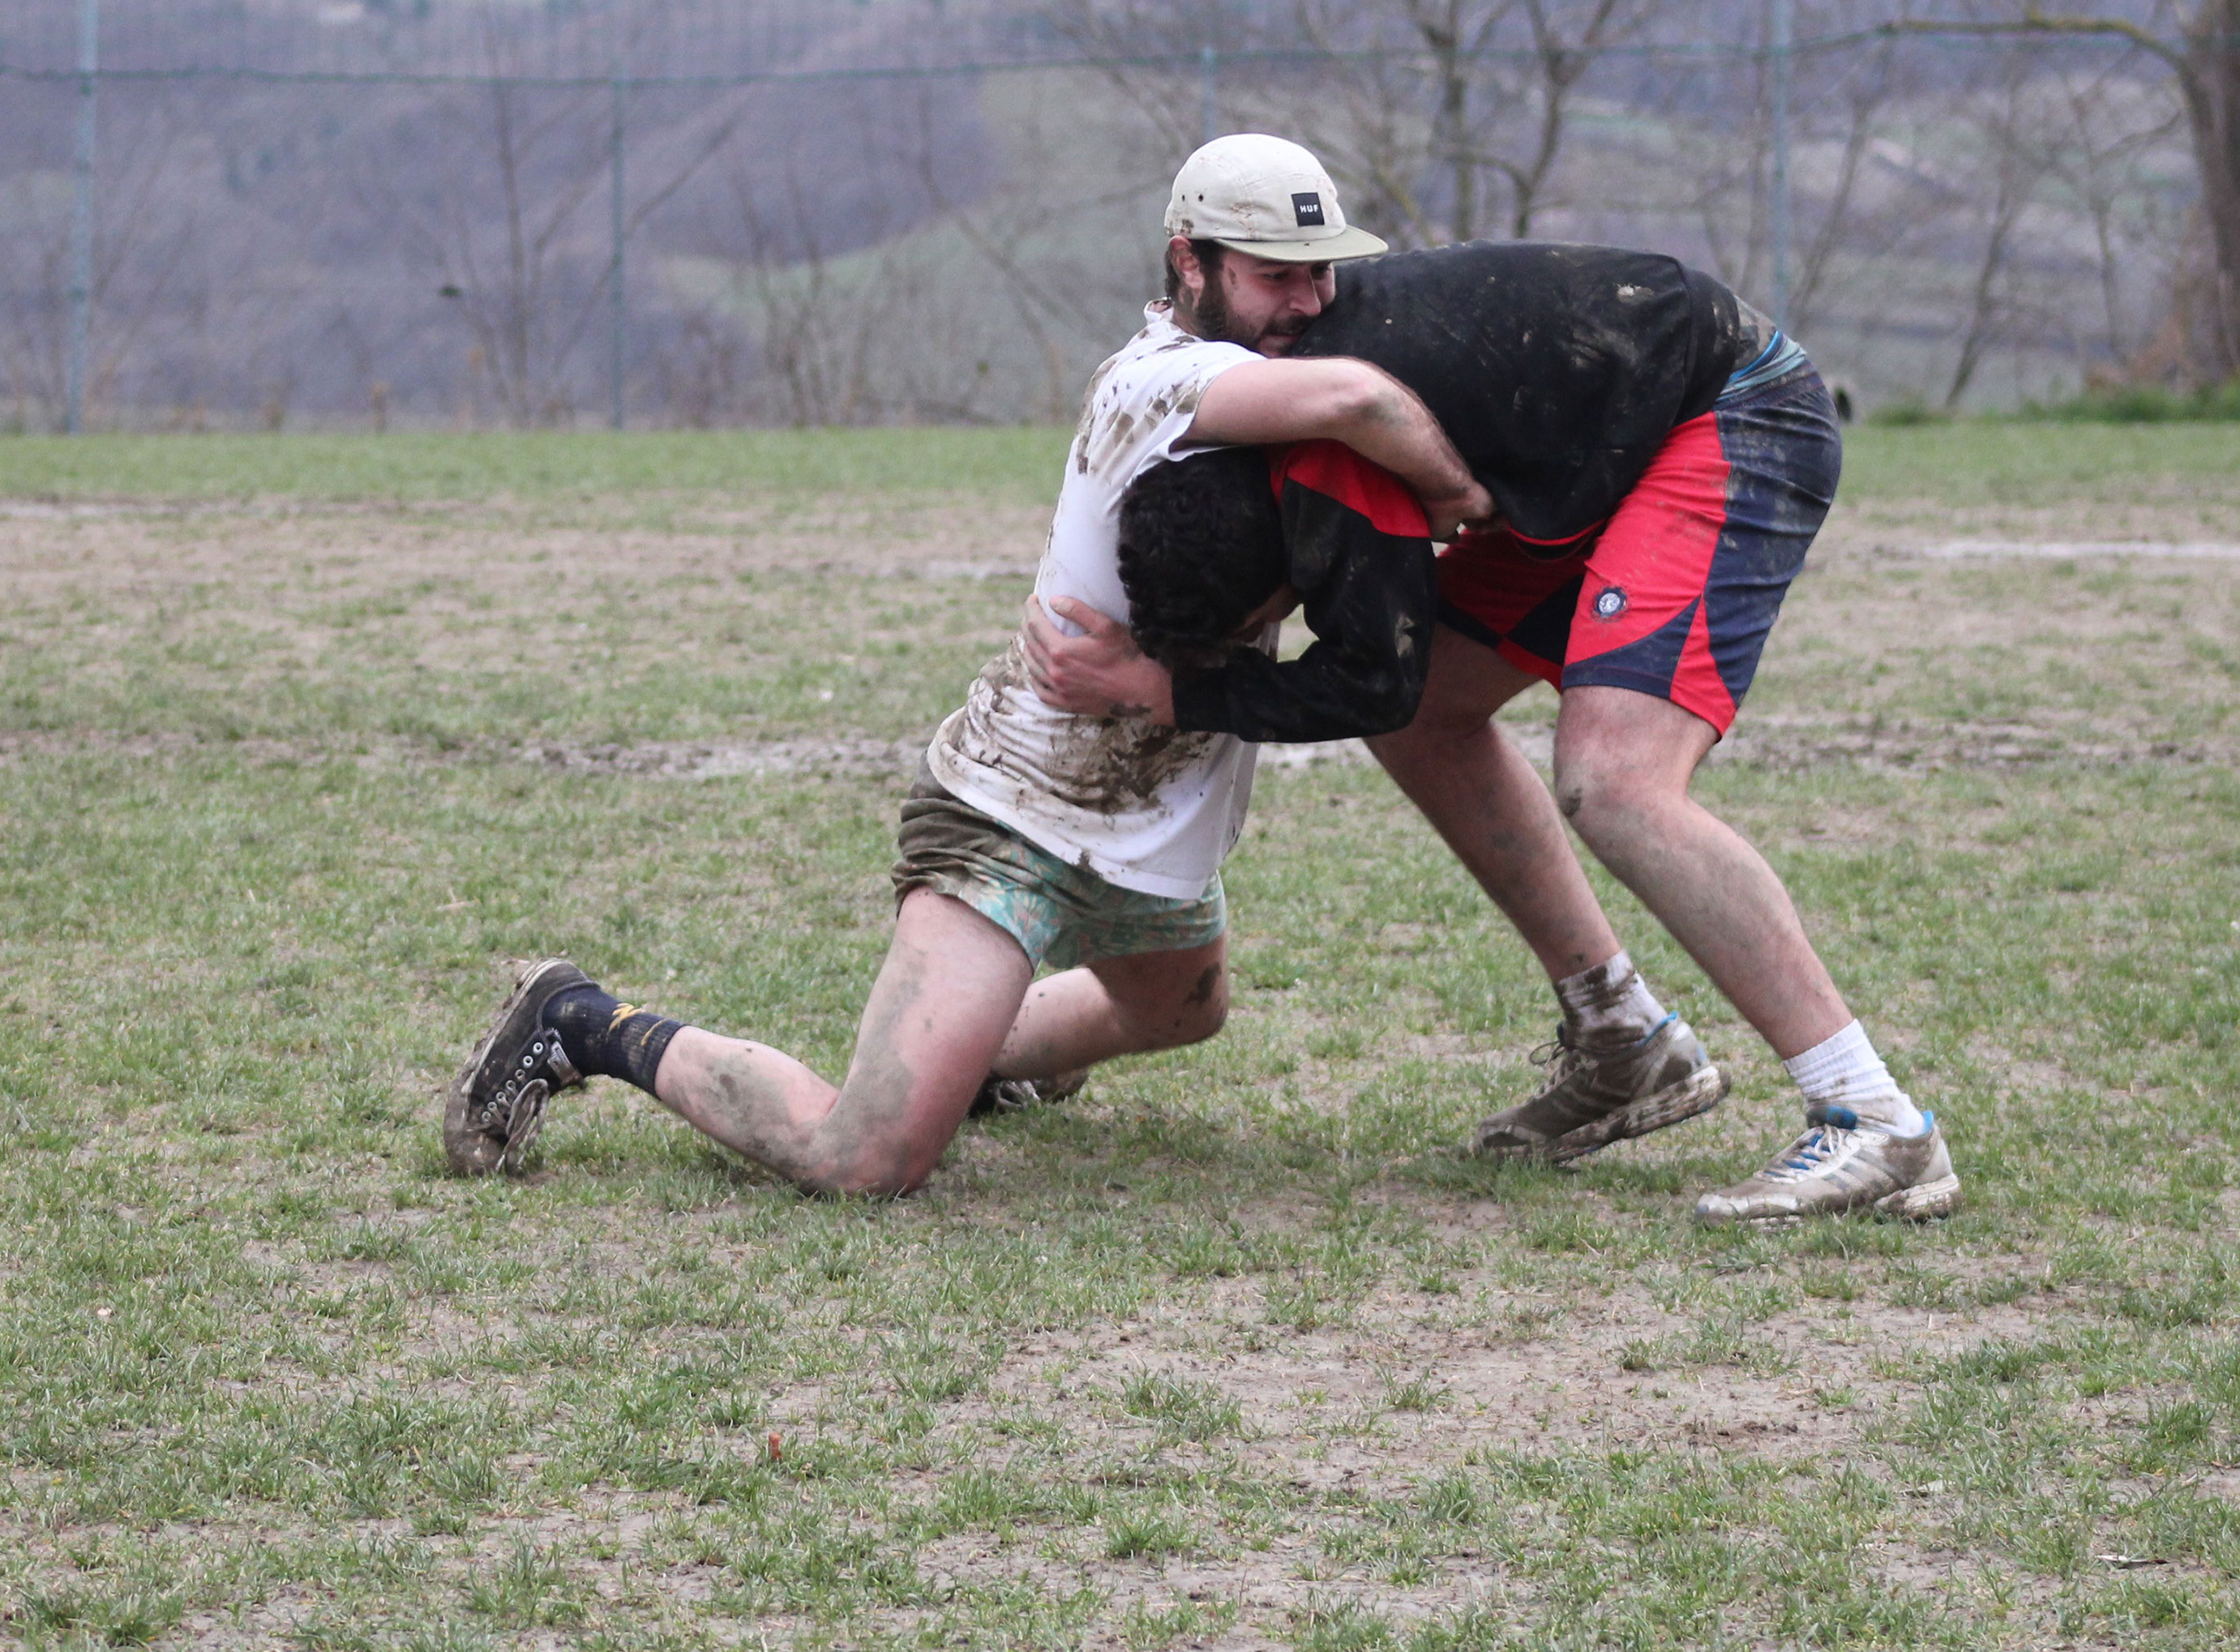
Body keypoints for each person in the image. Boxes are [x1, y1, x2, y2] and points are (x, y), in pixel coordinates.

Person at [439, 135, 1474, 1194]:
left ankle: (973, 1060)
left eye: (1321, 271)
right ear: (1188, 262)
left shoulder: (1262, 376)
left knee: (1181, 1008)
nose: (1307, 302)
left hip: (1146, 814)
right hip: (1016, 808)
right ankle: (580, 1020)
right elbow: (1361, 403)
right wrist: (1463, 500)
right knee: (865, 1157)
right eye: (1273, 275)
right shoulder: (1160, 381)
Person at [1022, 238, 1958, 1225]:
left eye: (1254, 619)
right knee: (1432, 711)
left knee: (1616, 782)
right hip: (1605, 437)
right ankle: (1621, 1037)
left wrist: (1173, 695)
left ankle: (1872, 1117)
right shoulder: (1267, 443)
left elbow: (1365, 683)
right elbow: (1394, 685)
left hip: (1726, 409)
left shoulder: (1331, 476)